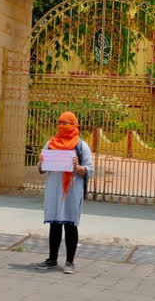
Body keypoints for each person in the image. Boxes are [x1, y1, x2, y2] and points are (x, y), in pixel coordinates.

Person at [36, 111, 93, 274]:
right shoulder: (51, 143)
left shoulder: (81, 146)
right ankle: (52, 259)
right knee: (54, 224)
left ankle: (70, 262)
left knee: (70, 224)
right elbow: (41, 169)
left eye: (66, 123)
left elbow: (89, 169)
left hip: (72, 191)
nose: (63, 126)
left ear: (75, 125)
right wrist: (41, 163)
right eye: (60, 122)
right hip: (54, 189)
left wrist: (78, 167)